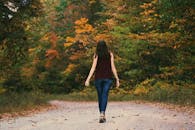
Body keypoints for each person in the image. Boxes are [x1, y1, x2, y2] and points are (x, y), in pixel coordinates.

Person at [85, 40, 120, 123]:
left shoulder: (96, 55)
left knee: (100, 96)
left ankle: (101, 113)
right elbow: (113, 67)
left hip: (98, 78)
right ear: (106, 46)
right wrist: (117, 79)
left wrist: (88, 79)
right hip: (108, 78)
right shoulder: (110, 54)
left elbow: (93, 68)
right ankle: (102, 113)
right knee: (104, 95)